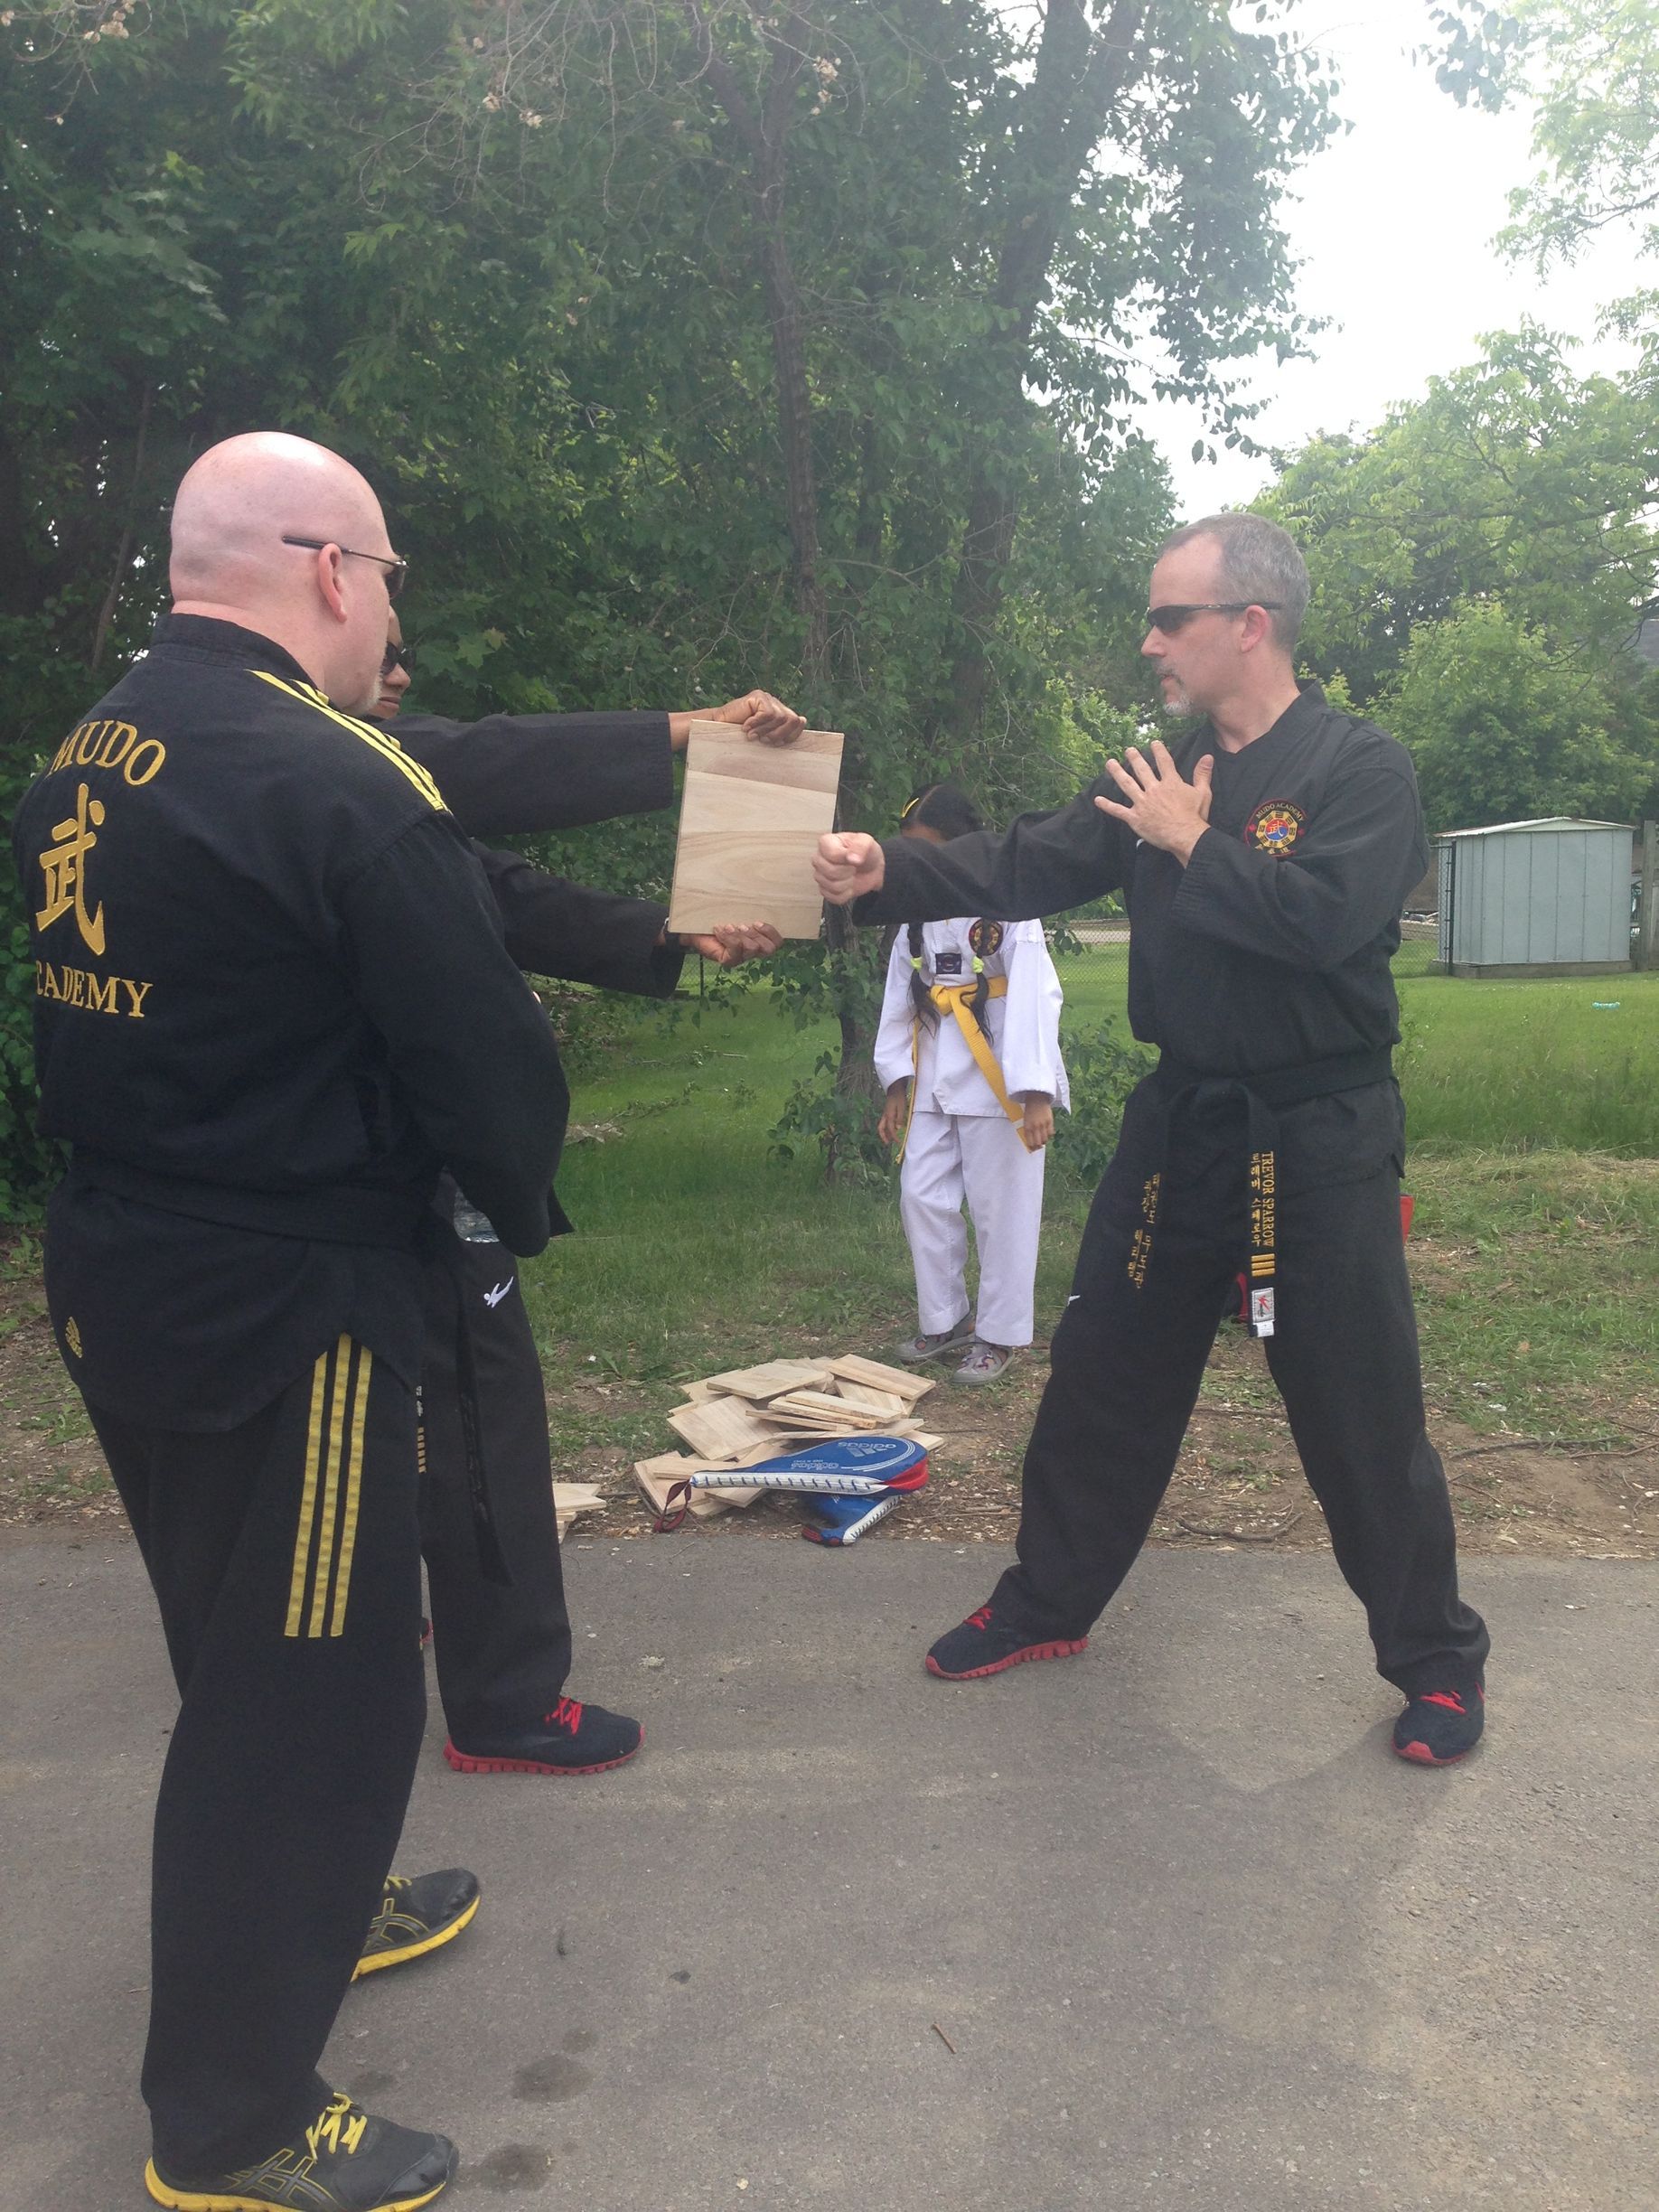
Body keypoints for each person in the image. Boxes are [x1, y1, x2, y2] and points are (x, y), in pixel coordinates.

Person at [14, 429, 573, 2212]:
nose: (390, 604)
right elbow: (487, 1064)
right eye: (388, 572)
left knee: (235, 1637)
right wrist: (511, 1201)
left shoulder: (97, 744)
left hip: (122, 1265)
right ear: (331, 569)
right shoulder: (339, 780)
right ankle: (234, 2116)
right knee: (316, 1697)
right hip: (291, 1304)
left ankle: (317, 1908)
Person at [815, 512, 1490, 1767]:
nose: (1149, 643)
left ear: (1252, 624)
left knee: (1356, 1406)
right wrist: (882, 876)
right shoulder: (1158, 768)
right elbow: (1031, 857)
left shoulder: (1359, 768)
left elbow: (1328, 924)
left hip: (1313, 1137)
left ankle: (1437, 1661)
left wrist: (1192, 841)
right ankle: (1047, 1603)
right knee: (1104, 1374)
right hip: (1183, 1128)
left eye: (1169, 618)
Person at [367, 614, 784, 1777]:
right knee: (479, 1415)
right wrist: (681, 732)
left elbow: (500, 889)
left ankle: (386, 1620)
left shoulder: (229, 763)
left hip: (330, 1176)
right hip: (405, 1172)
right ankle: (504, 1703)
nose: (400, 673)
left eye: (407, 650)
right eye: (380, 640)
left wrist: (667, 931)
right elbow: (475, 759)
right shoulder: (329, 761)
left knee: (378, 1412)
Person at [872, 781, 1067, 1384]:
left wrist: (1036, 1092)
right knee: (921, 1196)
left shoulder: (1008, 901)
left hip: (999, 1074)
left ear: (961, 845)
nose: (917, 862)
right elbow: (901, 991)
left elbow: (1036, 993)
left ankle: (999, 1333)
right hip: (934, 1067)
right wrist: (896, 1082)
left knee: (1001, 1208)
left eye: (926, 849)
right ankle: (945, 1316)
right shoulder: (916, 910)